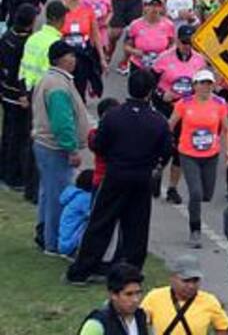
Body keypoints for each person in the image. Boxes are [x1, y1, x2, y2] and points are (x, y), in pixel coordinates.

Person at [68, 69, 172, 282]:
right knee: (137, 228)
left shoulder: (113, 116)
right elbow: (165, 151)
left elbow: (100, 145)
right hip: (142, 177)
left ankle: (83, 269)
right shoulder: (158, 121)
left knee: (101, 223)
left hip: (115, 175)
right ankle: (131, 273)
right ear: (150, 92)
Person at [31, 38, 87, 256]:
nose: (74, 60)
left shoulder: (49, 78)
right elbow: (62, 122)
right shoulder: (58, 85)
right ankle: (53, 243)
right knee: (58, 196)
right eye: (71, 56)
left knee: (48, 192)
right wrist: (71, 148)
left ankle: (43, 233)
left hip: (44, 144)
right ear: (60, 59)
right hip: (55, 148)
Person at [168, 67, 228, 247]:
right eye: (202, 83)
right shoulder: (184, 103)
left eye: (209, 84)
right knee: (195, 193)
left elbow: (226, 128)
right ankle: (195, 229)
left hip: (211, 154)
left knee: (206, 194)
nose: (206, 87)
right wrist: (165, 143)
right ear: (194, 85)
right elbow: (171, 124)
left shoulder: (219, 103)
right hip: (188, 153)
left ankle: (196, 206)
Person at [141, 253, 228, 335]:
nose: (191, 286)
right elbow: (138, 324)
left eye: (195, 280)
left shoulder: (209, 301)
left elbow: (223, 327)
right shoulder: (155, 297)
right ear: (172, 278)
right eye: (186, 281)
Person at [0, 3, 37, 194]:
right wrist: (24, 94)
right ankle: (14, 176)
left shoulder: (6, 37)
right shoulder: (26, 43)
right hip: (18, 96)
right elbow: (23, 71)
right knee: (19, 137)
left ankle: (4, 170)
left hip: (6, 92)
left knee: (7, 132)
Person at [77, 262, 152, 335]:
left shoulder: (140, 316)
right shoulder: (97, 324)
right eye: (129, 294)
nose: (136, 299)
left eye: (138, 293)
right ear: (113, 295)